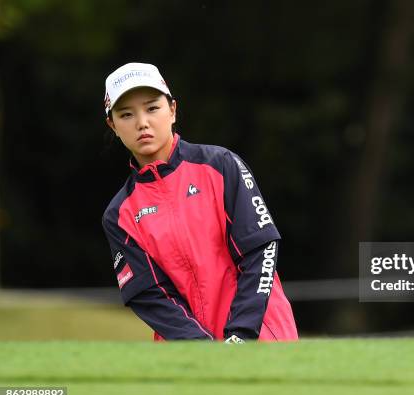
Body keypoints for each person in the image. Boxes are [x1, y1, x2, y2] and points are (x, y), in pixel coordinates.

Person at [101, 62, 298, 343]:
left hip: (260, 336)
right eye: (126, 114)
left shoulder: (221, 165)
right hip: (187, 356)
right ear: (113, 125)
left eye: (152, 108)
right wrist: (201, 349)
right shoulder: (119, 214)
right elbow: (147, 294)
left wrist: (241, 334)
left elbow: (260, 250)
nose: (142, 122)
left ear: (172, 110)